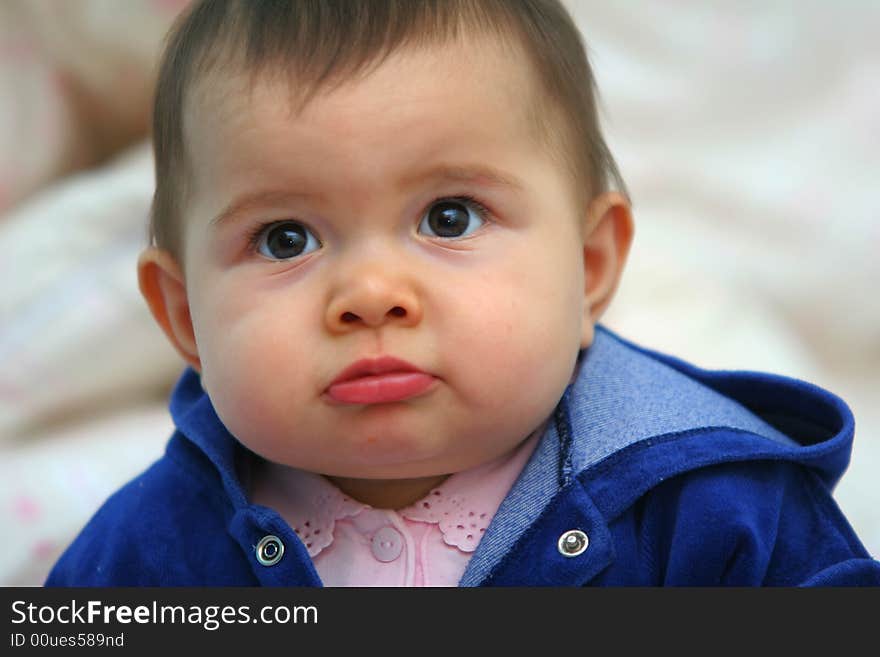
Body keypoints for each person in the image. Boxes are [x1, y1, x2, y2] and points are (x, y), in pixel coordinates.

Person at [46, 0, 879, 586]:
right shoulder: (144, 556)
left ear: (589, 266)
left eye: (449, 217)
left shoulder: (720, 512)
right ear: (185, 314)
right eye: (285, 238)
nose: (371, 294)